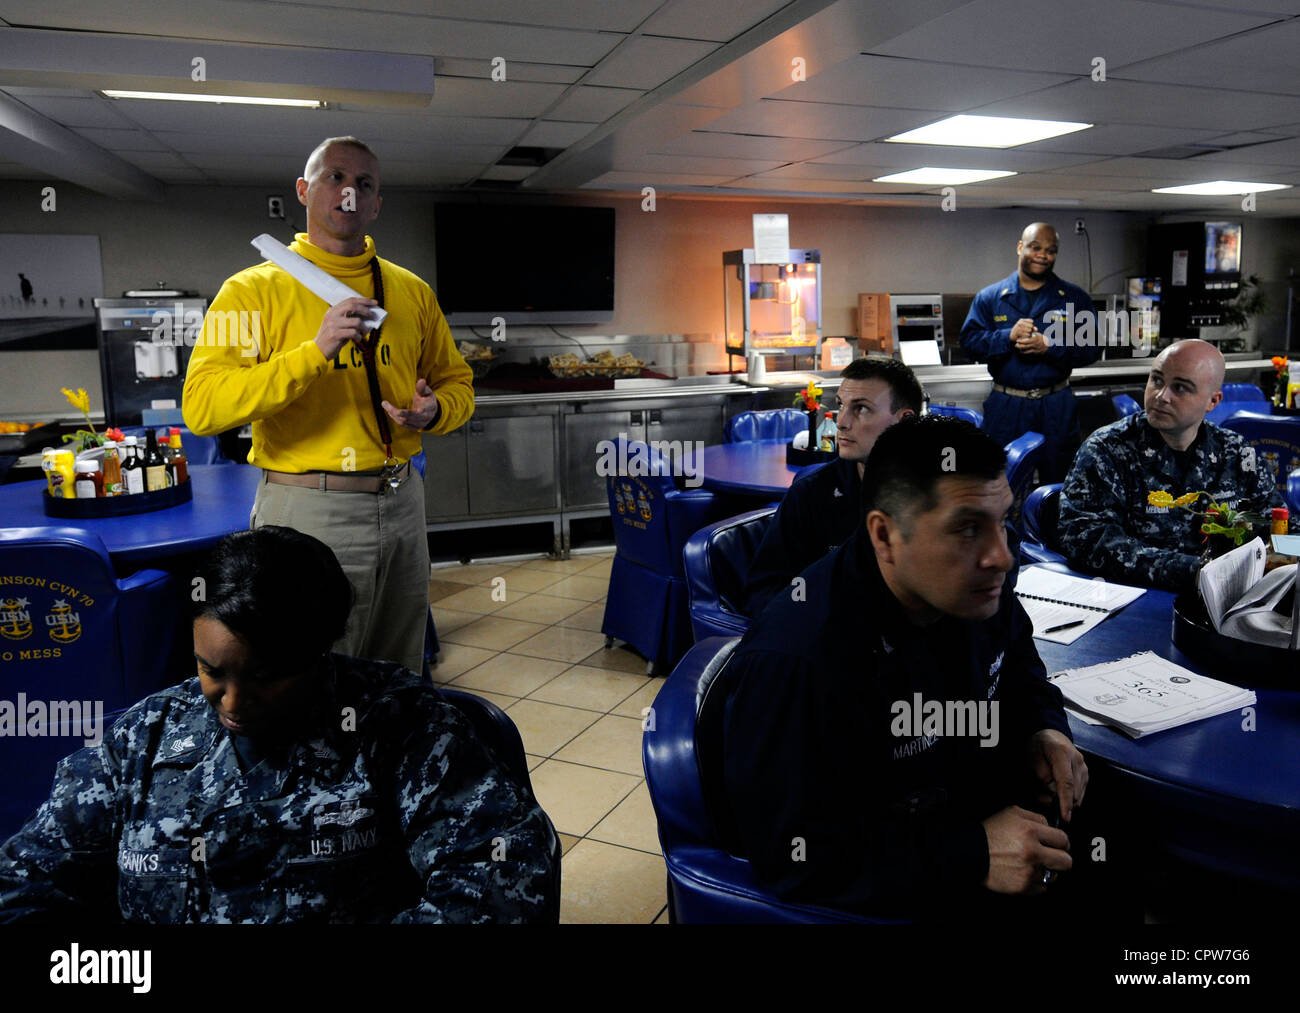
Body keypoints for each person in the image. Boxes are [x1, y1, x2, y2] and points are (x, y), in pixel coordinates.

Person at [0, 527, 559, 924]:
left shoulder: (403, 728)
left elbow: (502, 876)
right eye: (211, 670)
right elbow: (25, 880)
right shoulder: (140, 740)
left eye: (268, 676)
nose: (234, 701)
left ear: (321, 652)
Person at [722, 417, 1099, 919]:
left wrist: (1043, 727)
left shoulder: (977, 587)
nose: (1002, 557)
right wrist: (973, 852)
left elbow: (1019, 663)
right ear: (884, 535)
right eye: (966, 529)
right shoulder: (800, 661)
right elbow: (794, 854)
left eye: (1002, 522)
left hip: (973, 802)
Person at [183, 136, 474, 672]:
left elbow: (458, 384)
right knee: (309, 670)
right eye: (334, 178)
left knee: (400, 668)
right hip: (309, 510)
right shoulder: (252, 291)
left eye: (364, 184)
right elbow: (203, 407)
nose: (349, 193)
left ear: (377, 204)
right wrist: (314, 352)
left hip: (403, 499)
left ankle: (388, 758)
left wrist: (436, 412)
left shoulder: (411, 292)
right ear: (303, 190)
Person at [1058, 339, 1287, 591]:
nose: (1161, 396)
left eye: (1180, 388)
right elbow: (1087, 539)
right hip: (1139, 598)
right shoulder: (1108, 450)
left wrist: (1291, 553)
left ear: (1213, 401)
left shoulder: (1236, 453)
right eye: (1156, 380)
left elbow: (1278, 524)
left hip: (1229, 598)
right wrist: (1198, 572)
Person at [741, 356, 923, 616]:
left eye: (861, 408)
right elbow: (762, 593)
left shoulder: (938, 494)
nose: (841, 421)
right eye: (841, 405)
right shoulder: (811, 493)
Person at [960, 222, 1098, 482]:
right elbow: (969, 344)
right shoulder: (990, 297)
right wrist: (1006, 337)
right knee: (998, 481)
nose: (1043, 255)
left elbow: (1091, 348)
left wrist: (1050, 347)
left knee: (1059, 482)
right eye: (1036, 247)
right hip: (1007, 405)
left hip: (1056, 404)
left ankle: (1050, 524)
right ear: (1020, 247)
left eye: (1051, 250)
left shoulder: (1074, 297)